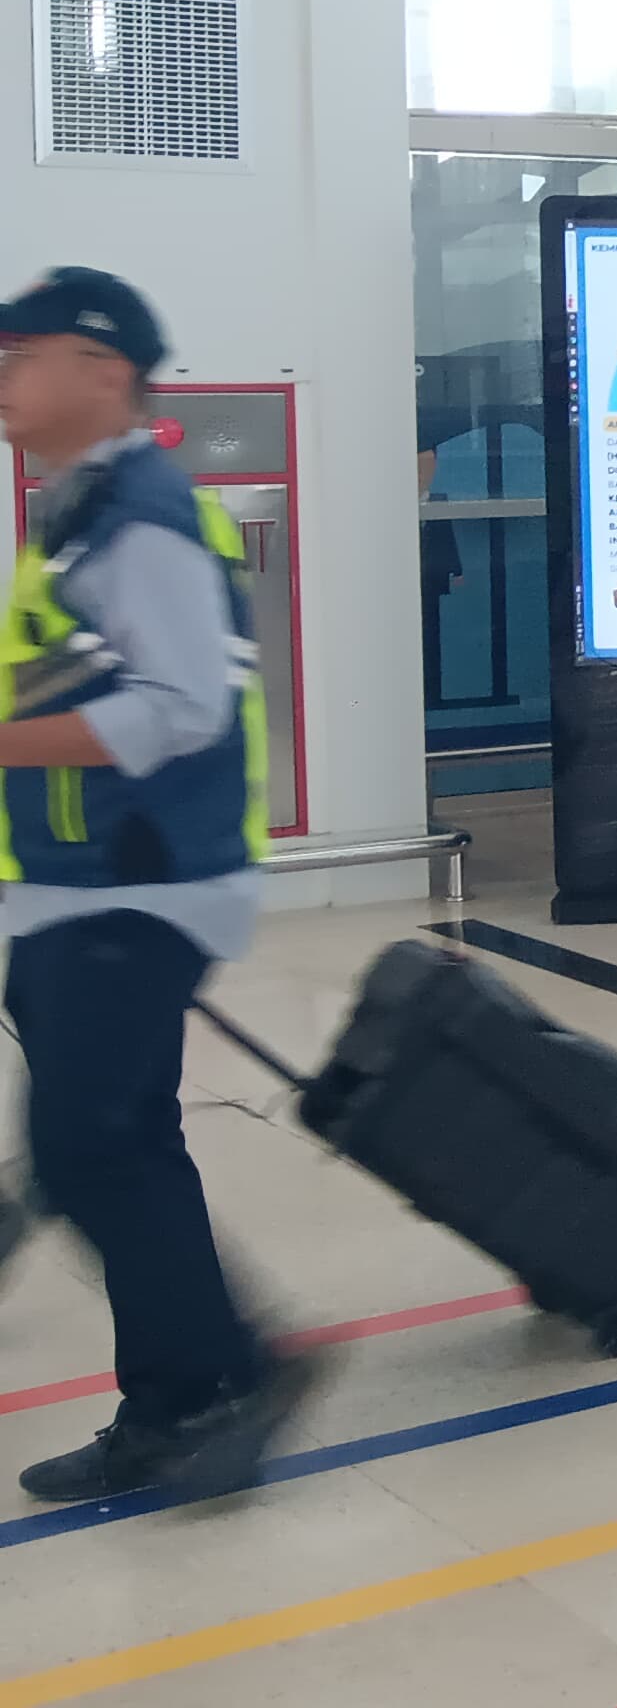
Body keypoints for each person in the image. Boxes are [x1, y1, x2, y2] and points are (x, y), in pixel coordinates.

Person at [0, 268, 316, 1504]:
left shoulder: (140, 515)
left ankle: (217, 1379)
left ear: (105, 370)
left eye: (22, 356)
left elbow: (180, 707)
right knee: (119, 1138)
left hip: (139, 888)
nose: (5, 380)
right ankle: (197, 1388)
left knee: (88, 1149)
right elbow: (72, 678)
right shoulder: (75, 509)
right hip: (86, 880)